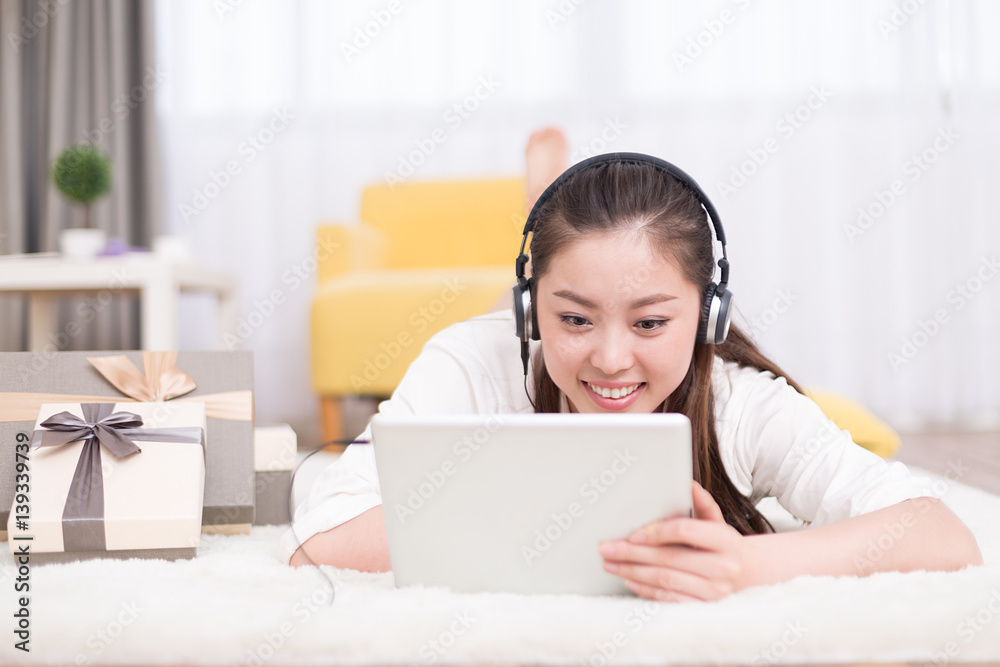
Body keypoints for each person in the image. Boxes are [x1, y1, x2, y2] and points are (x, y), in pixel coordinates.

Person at [282, 137, 982, 603]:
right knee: (513, 325)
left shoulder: (740, 406)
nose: (612, 359)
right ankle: (539, 224)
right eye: (573, 318)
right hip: (505, 334)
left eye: (651, 322)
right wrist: (578, 525)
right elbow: (319, 543)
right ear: (533, 314)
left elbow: (939, 532)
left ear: (707, 318)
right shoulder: (471, 359)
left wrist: (749, 566)